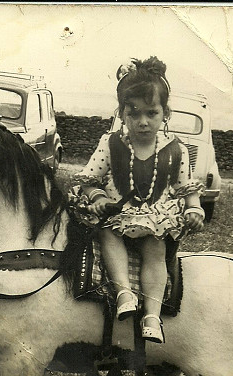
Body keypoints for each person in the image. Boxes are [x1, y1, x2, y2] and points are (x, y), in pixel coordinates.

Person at [70, 56, 205, 343]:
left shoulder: (175, 149)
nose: (142, 122)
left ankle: (152, 316)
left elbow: (186, 187)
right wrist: (97, 197)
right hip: (117, 215)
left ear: (165, 113)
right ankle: (124, 293)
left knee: (155, 249)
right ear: (122, 113)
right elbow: (89, 179)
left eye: (151, 113)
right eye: (134, 113)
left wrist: (194, 208)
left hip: (154, 218)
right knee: (107, 235)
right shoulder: (111, 143)